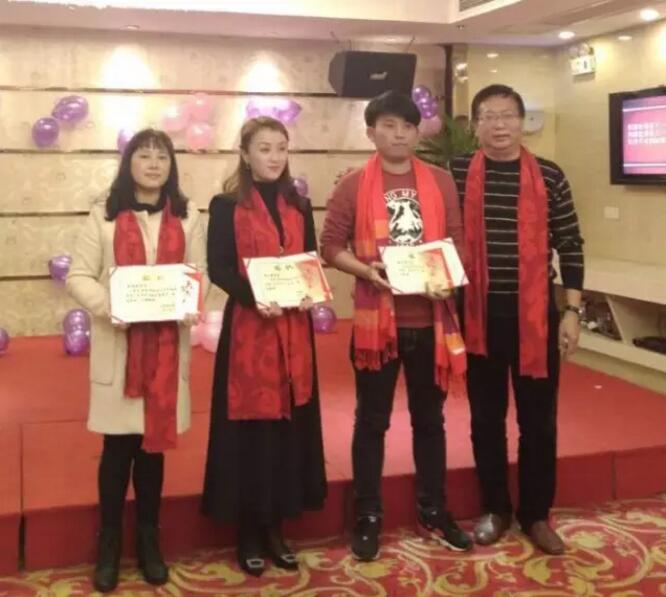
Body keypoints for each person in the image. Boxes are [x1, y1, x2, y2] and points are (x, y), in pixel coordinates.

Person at [320, 90, 472, 562]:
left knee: (430, 421)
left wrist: (449, 280)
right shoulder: (352, 185)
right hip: (376, 324)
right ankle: (367, 514)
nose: (399, 134)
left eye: (407, 126)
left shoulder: (441, 181)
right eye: (388, 125)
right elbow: (331, 245)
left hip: (430, 322)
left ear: (417, 132)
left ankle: (434, 509)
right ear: (371, 132)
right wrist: (365, 271)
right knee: (372, 421)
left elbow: (457, 241)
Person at [66, 129, 206, 592]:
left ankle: (149, 539)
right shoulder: (104, 216)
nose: (153, 164)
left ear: (171, 166)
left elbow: (200, 274)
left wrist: (189, 301)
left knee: (152, 450)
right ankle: (108, 542)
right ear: (129, 164)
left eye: (161, 157)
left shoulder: (188, 217)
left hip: (166, 351)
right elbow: (78, 276)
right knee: (117, 449)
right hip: (120, 346)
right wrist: (111, 306)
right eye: (143, 156)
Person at [450, 84, 585, 555]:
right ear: (475, 125)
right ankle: (495, 509)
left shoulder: (549, 175)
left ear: (522, 121)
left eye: (508, 115)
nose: (499, 124)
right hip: (478, 316)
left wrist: (572, 311)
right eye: (489, 116)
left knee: (539, 421)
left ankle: (535, 514)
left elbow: (570, 243)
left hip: (536, 318)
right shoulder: (455, 172)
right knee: (486, 419)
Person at [202, 116, 327, 577]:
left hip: (293, 331)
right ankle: (249, 531)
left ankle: (277, 527)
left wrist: (307, 291)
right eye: (264, 148)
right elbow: (219, 268)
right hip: (249, 330)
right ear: (245, 154)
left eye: (281, 148)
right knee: (252, 433)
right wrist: (257, 297)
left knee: (287, 430)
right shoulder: (225, 206)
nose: (274, 157)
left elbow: (309, 261)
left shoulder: (300, 204)